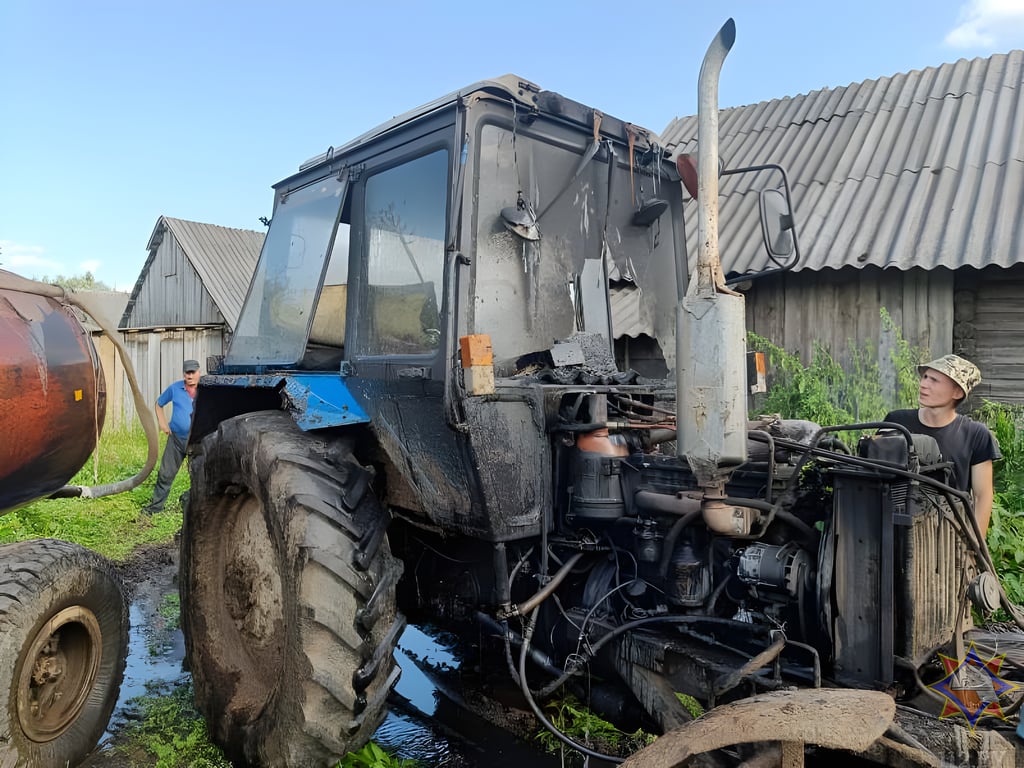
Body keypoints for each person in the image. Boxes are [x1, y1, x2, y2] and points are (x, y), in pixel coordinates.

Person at [884, 354, 1001, 536]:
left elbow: (982, 496)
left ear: (957, 392)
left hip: (947, 537)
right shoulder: (896, 422)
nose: (924, 384)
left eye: (935, 380)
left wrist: (974, 546)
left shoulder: (975, 435)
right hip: (896, 528)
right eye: (925, 377)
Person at [143, 359, 200, 514]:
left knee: (200, 476)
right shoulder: (175, 389)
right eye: (187, 373)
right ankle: (155, 508)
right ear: (183, 374)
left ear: (198, 373)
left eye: (193, 372)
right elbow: (159, 404)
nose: (190, 376)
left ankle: (189, 500)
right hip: (176, 439)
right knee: (165, 474)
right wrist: (162, 423)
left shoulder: (206, 390)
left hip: (199, 441)